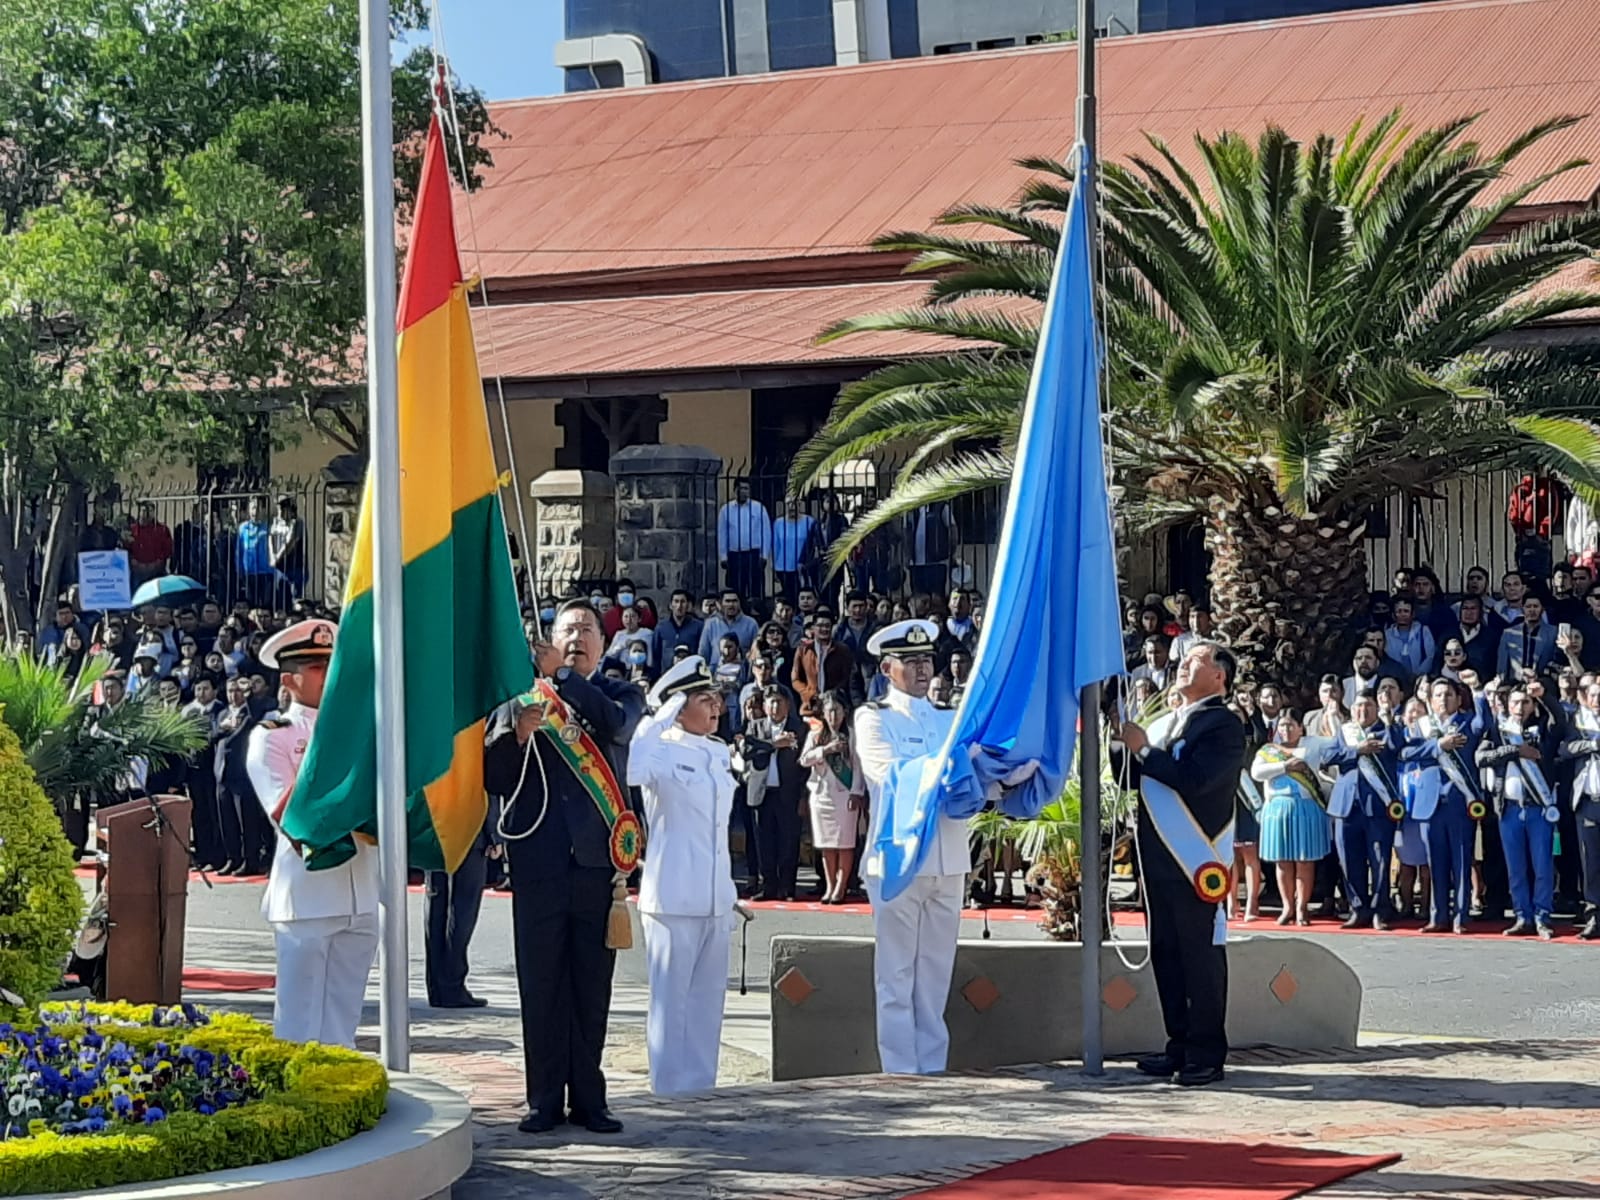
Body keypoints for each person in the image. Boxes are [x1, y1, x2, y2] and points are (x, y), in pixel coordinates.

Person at [486, 599, 644, 1136]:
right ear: (549, 637)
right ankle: (544, 1098)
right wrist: (519, 736)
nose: (576, 637)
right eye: (566, 629)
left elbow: (612, 725)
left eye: (586, 630)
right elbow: (495, 776)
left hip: (596, 864)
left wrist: (562, 678)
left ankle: (591, 1097)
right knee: (542, 981)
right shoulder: (520, 698)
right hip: (537, 862)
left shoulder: (620, 691)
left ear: (603, 643)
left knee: (591, 985)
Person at [246, 618, 379, 1049]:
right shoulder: (274, 738)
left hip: (361, 890)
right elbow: (289, 813)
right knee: (299, 1027)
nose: (332, 674)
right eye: (319, 667)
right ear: (289, 679)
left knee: (343, 1026)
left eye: (334, 663)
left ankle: (341, 1099)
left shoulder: (366, 732)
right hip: (307, 896)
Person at [1116, 642, 1245, 1087]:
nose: (1185, 664)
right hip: (1157, 858)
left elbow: (1196, 780)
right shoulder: (1167, 721)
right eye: (1185, 658)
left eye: (1198, 660)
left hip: (1195, 858)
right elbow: (1131, 778)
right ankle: (1179, 1043)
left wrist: (1147, 752)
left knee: (1200, 958)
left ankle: (1206, 1052)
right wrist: (1123, 743)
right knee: (1167, 955)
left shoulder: (1223, 724)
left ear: (1220, 677)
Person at [854, 619, 962, 1076]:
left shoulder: (948, 717)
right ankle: (900, 1072)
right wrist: (956, 767)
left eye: (926, 660)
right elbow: (888, 773)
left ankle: (932, 1069)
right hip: (898, 860)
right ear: (887, 667)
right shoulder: (873, 717)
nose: (922, 669)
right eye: (911, 661)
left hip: (949, 857)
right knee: (896, 975)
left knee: (935, 976)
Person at [627, 656, 738, 1096]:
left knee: (707, 1005)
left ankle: (701, 1091)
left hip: (713, 894)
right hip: (673, 895)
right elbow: (634, 769)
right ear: (679, 705)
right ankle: (669, 1094)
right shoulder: (659, 748)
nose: (715, 709)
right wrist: (662, 713)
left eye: (716, 700)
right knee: (670, 1006)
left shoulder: (717, 750)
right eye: (704, 700)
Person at [1402, 678, 1491, 933]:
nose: (1443, 699)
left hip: (1458, 802)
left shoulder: (1466, 723)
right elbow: (1406, 753)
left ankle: (1460, 917)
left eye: (1449, 694)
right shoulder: (1421, 726)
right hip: (1429, 802)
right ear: (1430, 701)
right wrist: (1438, 745)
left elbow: (1484, 723)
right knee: (1436, 862)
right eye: (1438, 695)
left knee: (1461, 861)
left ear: (1458, 698)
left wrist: (1478, 691)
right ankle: (1438, 915)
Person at [1477, 686, 1561, 939]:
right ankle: (1522, 916)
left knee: (1542, 866)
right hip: (1509, 808)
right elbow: (1481, 757)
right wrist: (1515, 751)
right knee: (1516, 868)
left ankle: (1542, 916)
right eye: (1516, 702)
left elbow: (1559, 718)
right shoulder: (1498, 730)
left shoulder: (1543, 729)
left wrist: (1543, 695)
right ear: (1508, 705)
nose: (1520, 707)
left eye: (1525, 702)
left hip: (1539, 809)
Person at [1322, 693, 1403, 931]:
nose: (1363, 710)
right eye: (1359, 706)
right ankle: (1358, 908)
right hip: (1346, 806)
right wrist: (1357, 750)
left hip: (1377, 806)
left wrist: (1389, 722)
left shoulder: (1387, 729)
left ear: (1377, 708)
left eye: (1368, 706)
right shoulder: (1346, 732)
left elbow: (1397, 747)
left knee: (1380, 860)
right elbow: (1328, 756)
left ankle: (1380, 910)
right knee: (1349, 860)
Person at [1252, 713, 1332, 927]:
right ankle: (1287, 906)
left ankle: (1302, 906)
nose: (1286, 730)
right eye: (1283, 725)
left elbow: (1336, 744)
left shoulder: (1313, 745)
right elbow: (1256, 772)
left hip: (1306, 806)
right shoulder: (1269, 751)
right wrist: (1285, 767)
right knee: (1283, 861)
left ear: (1300, 728)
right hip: (1278, 808)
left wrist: (1332, 717)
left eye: (1290, 725)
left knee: (1305, 861)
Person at [799, 691, 866, 905]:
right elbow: (804, 759)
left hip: (845, 794)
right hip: (821, 794)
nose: (833, 716)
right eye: (829, 711)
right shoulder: (816, 735)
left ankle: (841, 886)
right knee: (826, 844)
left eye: (836, 710)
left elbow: (859, 766)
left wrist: (857, 791)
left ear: (844, 712)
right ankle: (829, 885)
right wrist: (825, 750)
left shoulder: (853, 735)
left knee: (844, 843)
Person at [425, 813, 498, 1008]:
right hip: (469, 831)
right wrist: (494, 834)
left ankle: (436, 986)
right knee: (463, 908)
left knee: (436, 906)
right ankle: (452, 984)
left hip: (434, 830)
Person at [1559, 678, 1600, 939]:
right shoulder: (1577, 721)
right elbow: (1565, 748)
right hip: (1588, 801)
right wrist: (1593, 744)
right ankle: (1594, 915)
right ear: (1585, 697)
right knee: (1591, 864)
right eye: (1595, 695)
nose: (1598, 700)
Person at [790, 608, 862, 716]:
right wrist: (810, 694)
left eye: (827, 626)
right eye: (820, 625)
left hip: (836, 705)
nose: (824, 629)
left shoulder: (843, 650)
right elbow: (795, 679)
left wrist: (832, 693)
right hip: (810, 705)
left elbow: (847, 678)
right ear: (813, 628)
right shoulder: (803, 650)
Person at [717, 479, 771, 600]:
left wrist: (764, 555)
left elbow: (766, 532)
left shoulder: (758, 508)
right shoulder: (726, 510)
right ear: (735, 490)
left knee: (755, 588)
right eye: (741, 489)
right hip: (734, 555)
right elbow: (722, 533)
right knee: (736, 589)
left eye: (747, 489)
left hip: (753, 554)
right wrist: (723, 556)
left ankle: (756, 612)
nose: (744, 492)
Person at [1498, 595, 1559, 679]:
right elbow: (1502, 664)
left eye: (1536, 606)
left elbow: (1556, 661)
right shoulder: (1509, 633)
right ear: (1522, 609)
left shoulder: (1554, 632)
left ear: (1542, 609)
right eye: (1528, 606)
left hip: (1543, 683)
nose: (1532, 610)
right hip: (1515, 683)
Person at [771, 497, 817, 602]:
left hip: (803, 566)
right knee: (789, 596)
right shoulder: (778, 523)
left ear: (800, 505)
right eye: (789, 504)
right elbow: (776, 546)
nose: (792, 507)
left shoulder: (809, 521)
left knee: (804, 596)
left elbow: (813, 544)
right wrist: (774, 566)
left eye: (795, 503)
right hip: (783, 566)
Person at [697, 588, 760, 663]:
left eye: (734, 601)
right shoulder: (711, 624)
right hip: (715, 672)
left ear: (740, 603)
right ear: (720, 604)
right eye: (727, 601)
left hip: (741, 672)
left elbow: (757, 652)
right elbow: (703, 653)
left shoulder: (751, 624)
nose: (731, 604)